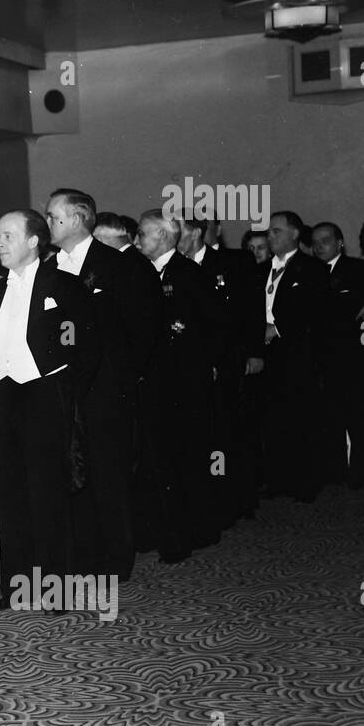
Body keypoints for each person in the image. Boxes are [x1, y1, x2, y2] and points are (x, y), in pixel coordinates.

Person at [0, 210, 100, 608]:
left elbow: (86, 348)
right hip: (4, 398)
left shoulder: (64, 285)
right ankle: (16, 587)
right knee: (9, 493)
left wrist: (62, 391)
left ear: (34, 241)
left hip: (44, 396)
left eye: (8, 236)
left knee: (47, 493)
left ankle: (54, 589)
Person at [46, 189, 161, 582]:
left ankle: (115, 558)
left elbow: (143, 330)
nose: (48, 224)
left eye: (54, 217)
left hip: (106, 389)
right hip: (64, 386)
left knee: (108, 472)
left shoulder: (120, 266)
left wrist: (121, 380)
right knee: (73, 471)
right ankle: (82, 553)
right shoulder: (49, 266)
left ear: (77, 219)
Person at [135, 210, 225, 562]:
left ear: (162, 236)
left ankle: (188, 534)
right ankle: (162, 529)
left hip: (185, 382)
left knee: (186, 457)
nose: (138, 239)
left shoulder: (190, 274)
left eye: (143, 233)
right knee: (159, 459)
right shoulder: (143, 273)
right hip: (156, 381)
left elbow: (215, 325)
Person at [178, 216, 266, 526]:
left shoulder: (233, 262)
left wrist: (255, 352)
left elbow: (252, 309)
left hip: (231, 358)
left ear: (197, 233)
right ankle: (211, 495)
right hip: (196, 364)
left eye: (182, 232)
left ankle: (239, 496)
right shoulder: (176, 268)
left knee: (231, 427)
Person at [260, 210, 330, 502]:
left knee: (302, 418)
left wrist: (278, 328)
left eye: (277, 231)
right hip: (267, 354)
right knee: (273, 418)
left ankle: (306, 482)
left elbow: (314, 312)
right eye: (269, 231)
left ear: (295, 235)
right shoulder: (260, 268)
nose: (270, 236)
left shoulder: (313, 269)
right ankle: (278, 479)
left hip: (298, 354)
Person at [312, 221, 364, 489]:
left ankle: (360, 473)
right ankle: (335, 471)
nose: (319, 246)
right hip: (322, 358)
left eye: (325, 240)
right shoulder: (310, 272)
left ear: (340, 242)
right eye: (315, 242)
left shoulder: (358, 269)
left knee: (356, 417)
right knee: (330, 417)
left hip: (353, 359)